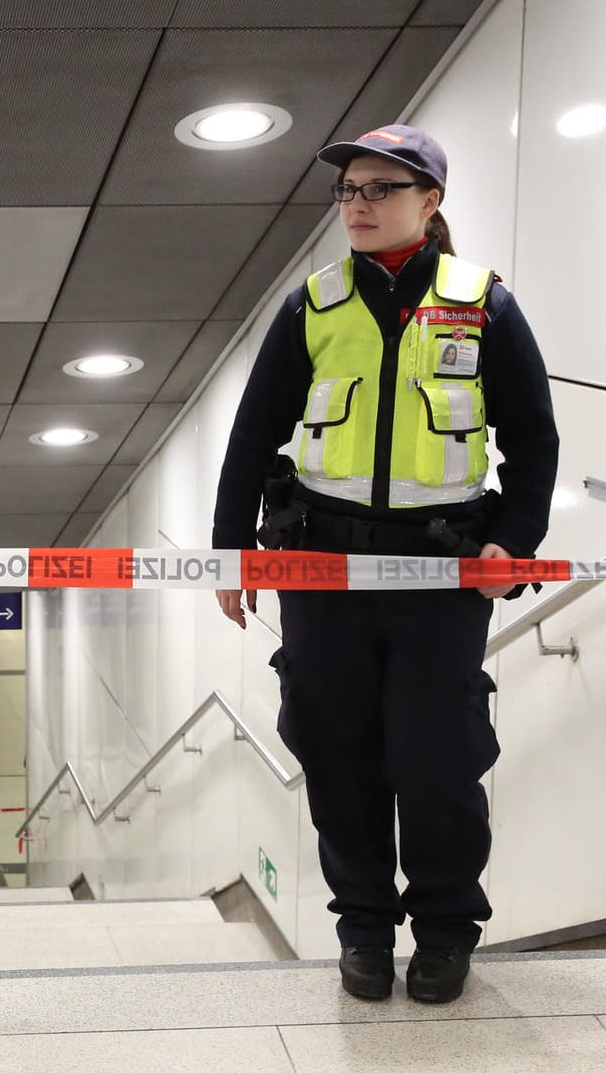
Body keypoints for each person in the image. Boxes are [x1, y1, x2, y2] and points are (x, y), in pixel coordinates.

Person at [211, 125, 559, 1004]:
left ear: (429, 202)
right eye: (348, 191)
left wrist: (511, 543)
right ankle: (362, 928)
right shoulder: (311, 307)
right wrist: (231, 553)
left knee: (436, 758)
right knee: (337, 754)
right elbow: (254, 437)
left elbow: (532, 441)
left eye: (378, 189)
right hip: (323, 575)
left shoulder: (484, 306)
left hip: (440, 580)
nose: (357, 205)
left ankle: (445, 930)